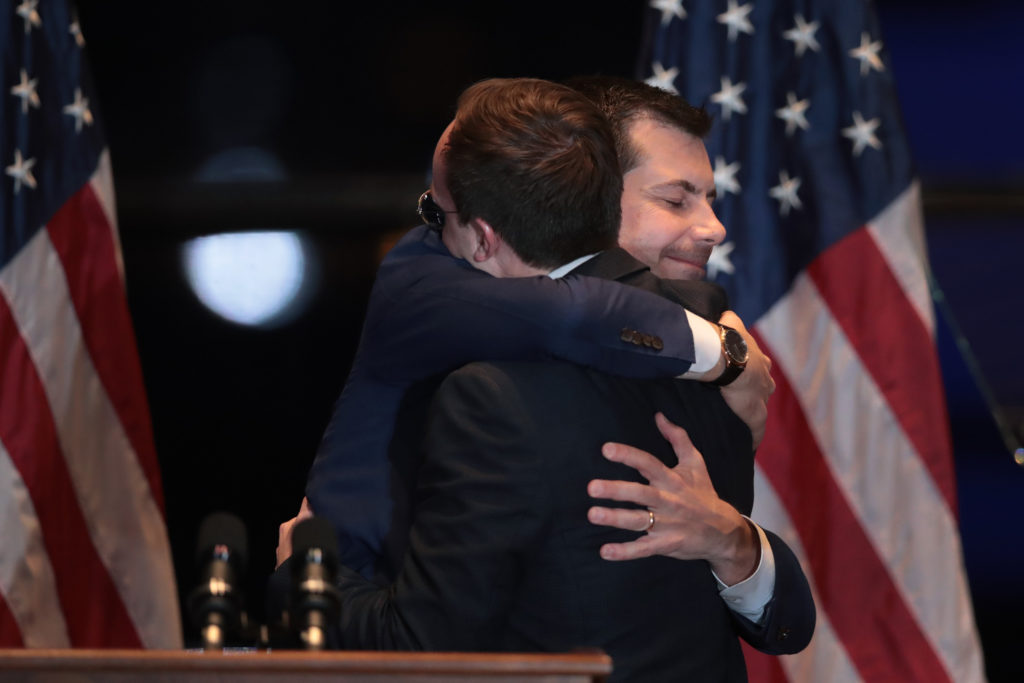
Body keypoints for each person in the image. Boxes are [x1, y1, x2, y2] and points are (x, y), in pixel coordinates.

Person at [280, 78, 813, 680]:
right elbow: (574, 315)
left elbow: (424, 645)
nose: (712, 226)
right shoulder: (705, 337)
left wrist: (302, 580)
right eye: (676, 198)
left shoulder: (492, 392)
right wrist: (728, 355)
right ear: (599, 194)